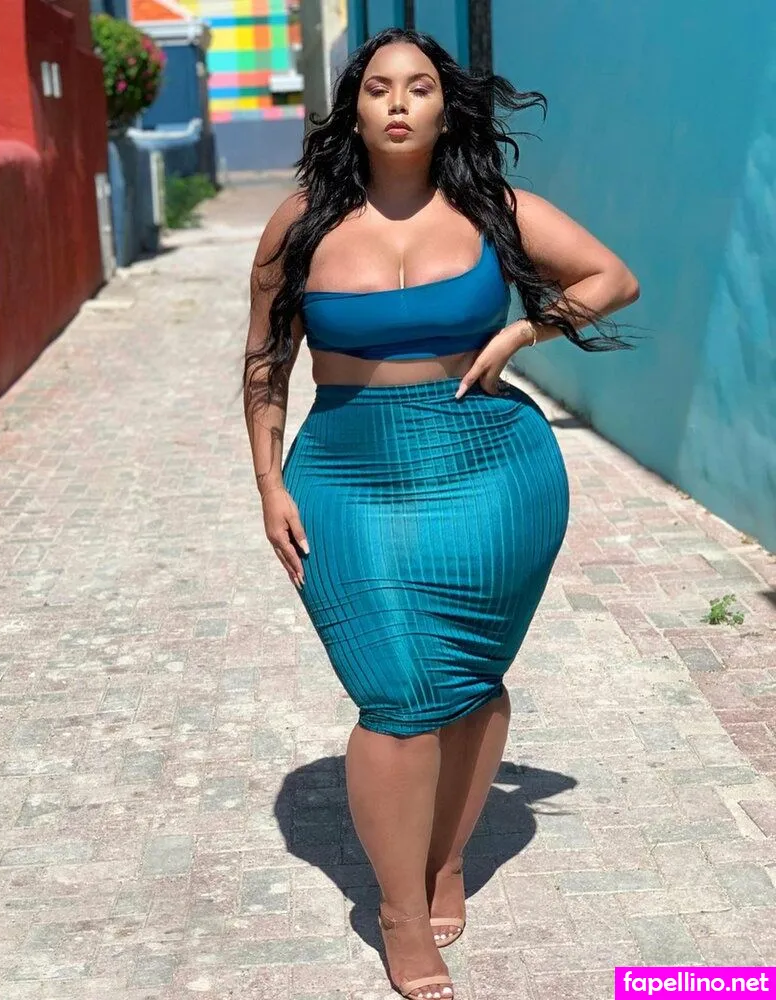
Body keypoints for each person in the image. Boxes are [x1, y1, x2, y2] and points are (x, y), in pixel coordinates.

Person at [241, 26, 639, 1000]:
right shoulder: (299, 225)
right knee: (394, 695)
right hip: (346, 471)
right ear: (355, 109)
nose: (398, 102)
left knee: (469, 679)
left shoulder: (493, 209)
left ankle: (449, 857)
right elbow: (265, 359)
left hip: (491, 468)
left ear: (445, 109)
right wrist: (268, 481)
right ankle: (398, 911)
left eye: (419, 86)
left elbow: (611, 279)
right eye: (378, 86)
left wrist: (523, 332)